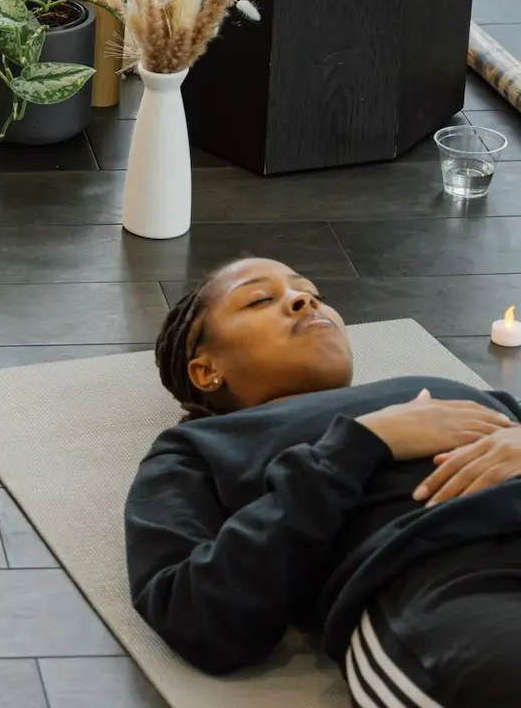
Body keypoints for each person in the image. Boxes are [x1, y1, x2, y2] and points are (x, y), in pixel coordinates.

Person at [128, 257, 521, 707]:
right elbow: (195, 615)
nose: (304, 300)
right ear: (206, 370)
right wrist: (362, 443)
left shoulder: (441, 386)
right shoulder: (198, 447)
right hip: (455, 586)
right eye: (259, 299)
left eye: (311, 291)